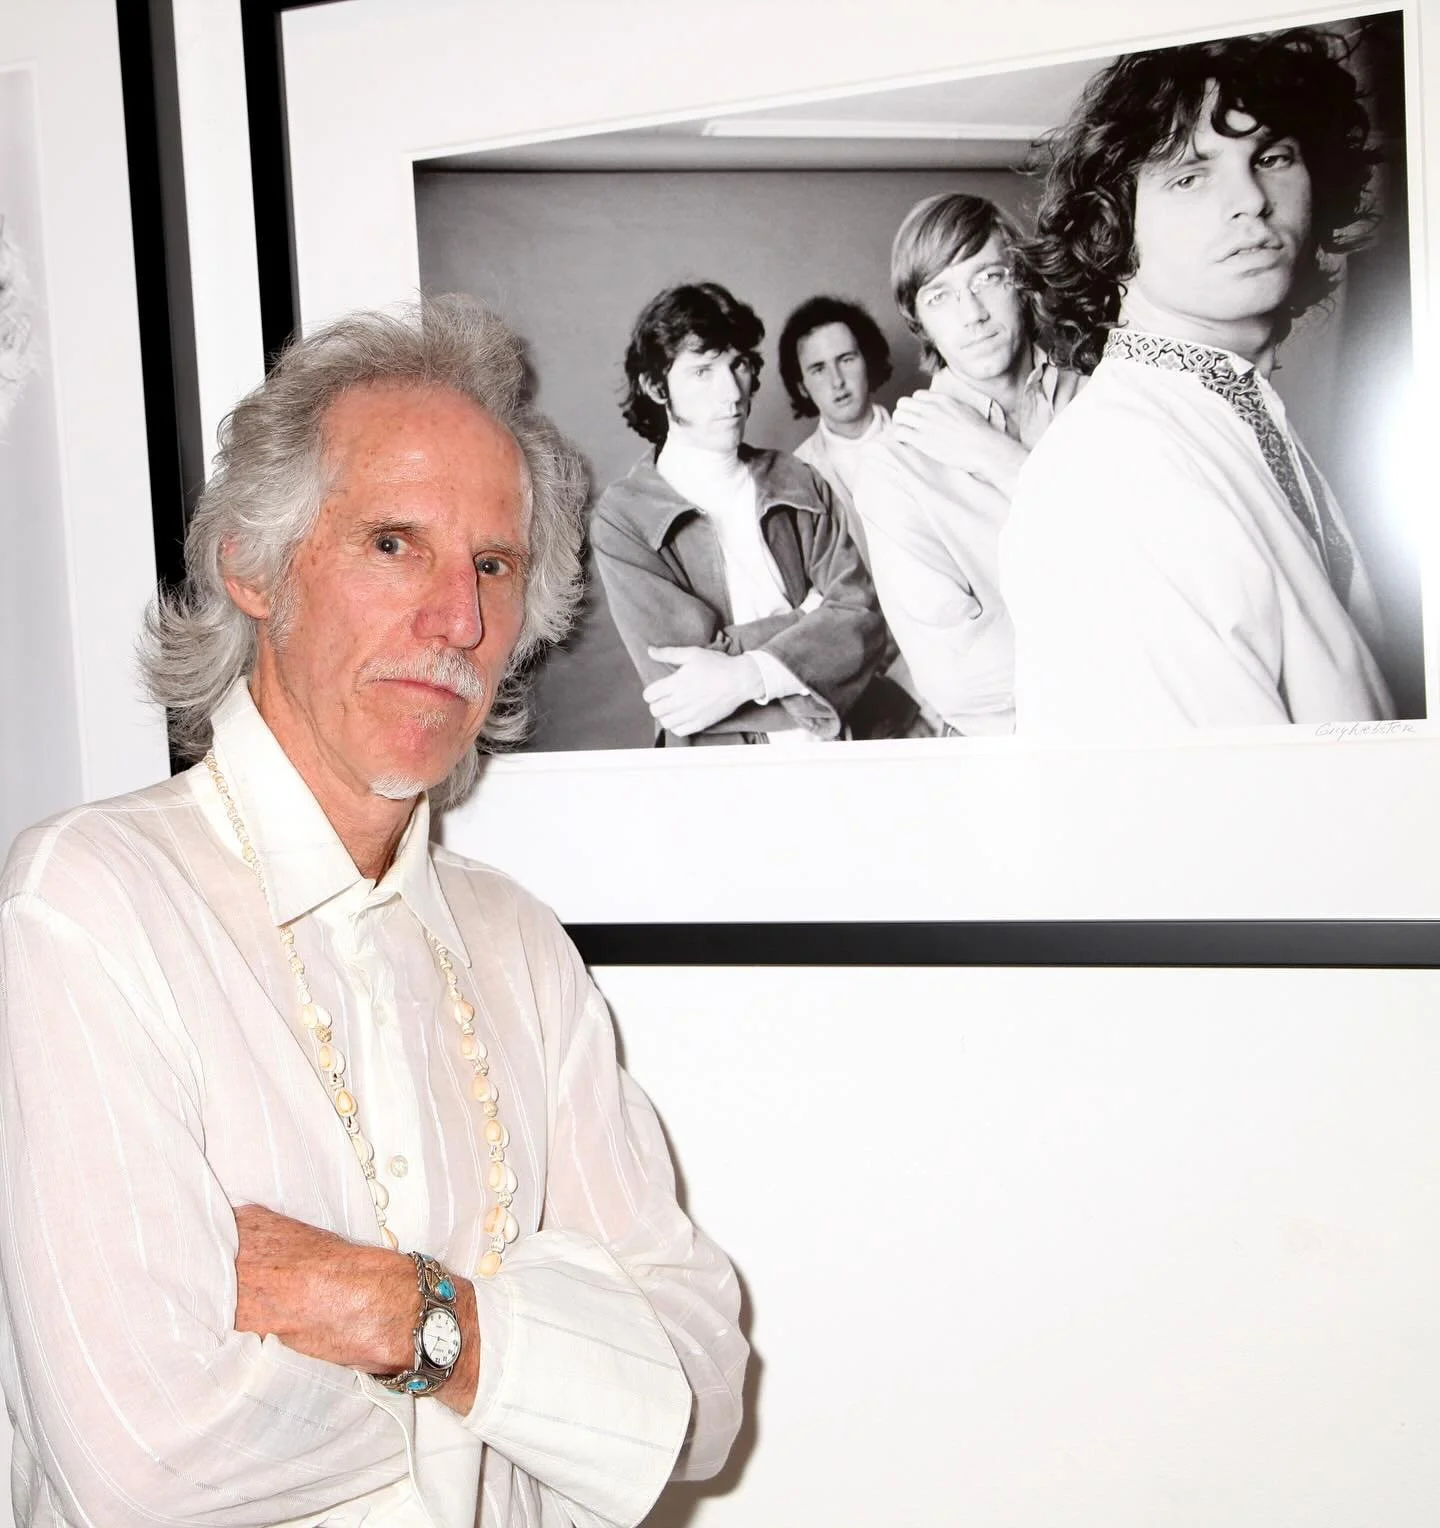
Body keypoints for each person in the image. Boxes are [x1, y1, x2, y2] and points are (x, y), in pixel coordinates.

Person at [0, 297, 746, 1528]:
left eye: (492, 565)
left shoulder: (520, 947)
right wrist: (545, 1379)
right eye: (394, 543)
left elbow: (702, 1399)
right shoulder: (88, 903)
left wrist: (397, 1311)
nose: (456, 619)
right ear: (252, 563)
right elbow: (145, 1460)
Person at [1003, 27, 1394, 732]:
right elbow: (1219, 821)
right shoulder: (1115, 472)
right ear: (1109, 233)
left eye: (1272, 156)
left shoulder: (1230, 407)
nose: (1250, 198)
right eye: (1190, 175)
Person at [592, 280, 898, 745]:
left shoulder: (799, 477)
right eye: (702, 372)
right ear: (656, 386)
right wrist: (810, 619)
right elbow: (679, 683)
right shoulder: (624, 516)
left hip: (843, 744)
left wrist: (743, 675)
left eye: (738, 366)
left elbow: (863, 618)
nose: (732, 393)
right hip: (721, 772)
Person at [852, 194, 1080, 736]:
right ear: (919, 320)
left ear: (1022, 283)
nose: (972, 314)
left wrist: (999, 460)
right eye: (941, 296)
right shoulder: (894, 468)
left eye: (989, 279)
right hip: (1023, 757)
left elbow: (1168, 577)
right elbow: (964, 682)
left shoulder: (1098, 397)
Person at [777, 294, 893, 540]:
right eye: (818, 369)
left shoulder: (920, 437)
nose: (837, 381)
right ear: (802, 386)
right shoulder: (798, 475)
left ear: (868, 360)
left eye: (846, 360)